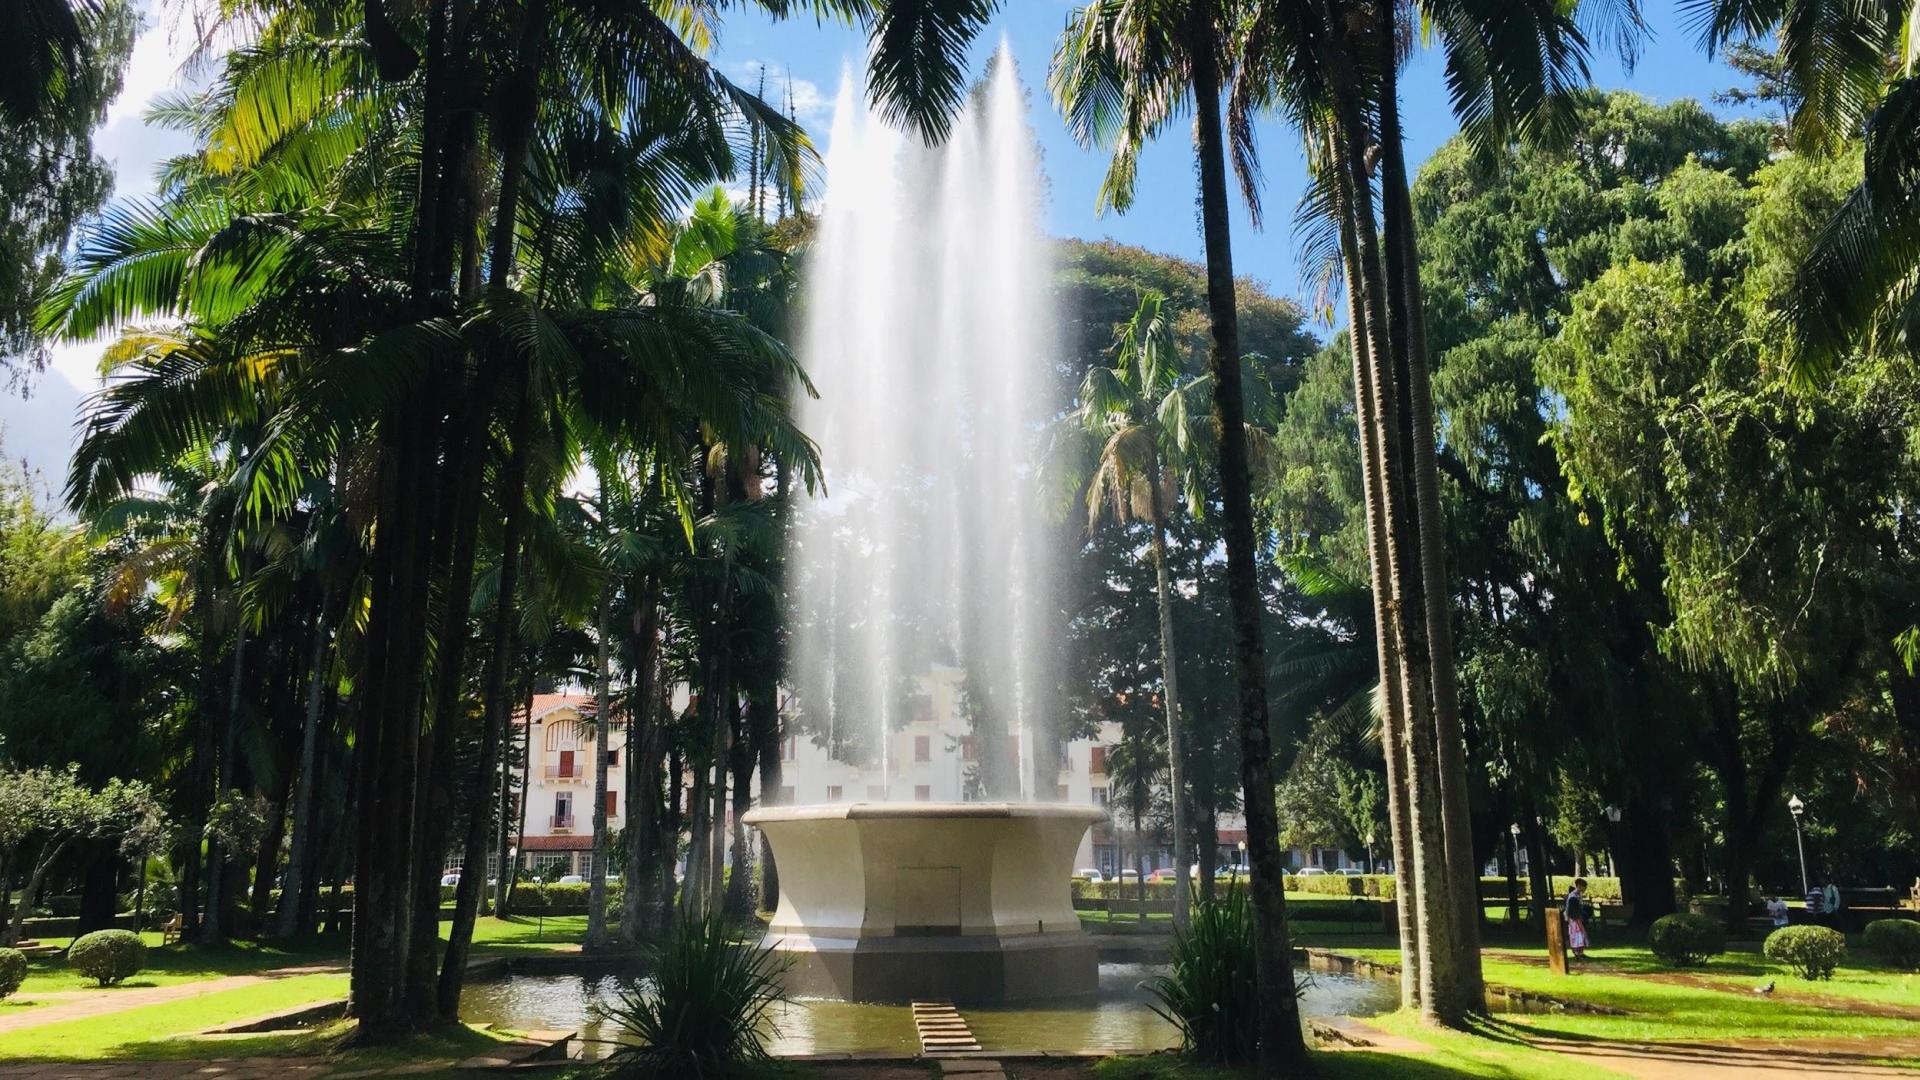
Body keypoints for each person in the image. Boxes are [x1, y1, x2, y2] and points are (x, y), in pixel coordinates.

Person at [1564, 877, 1590, 960]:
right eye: (1584, 886)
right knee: (1576, 934)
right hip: (1573, 918)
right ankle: (1576, 953)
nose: (1585, 888)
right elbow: (1571, 909)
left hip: (1578, 916)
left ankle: (1581, 952)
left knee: (1580, 935)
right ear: (1579, 886)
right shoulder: (1573, 896)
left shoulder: (1578, 895)